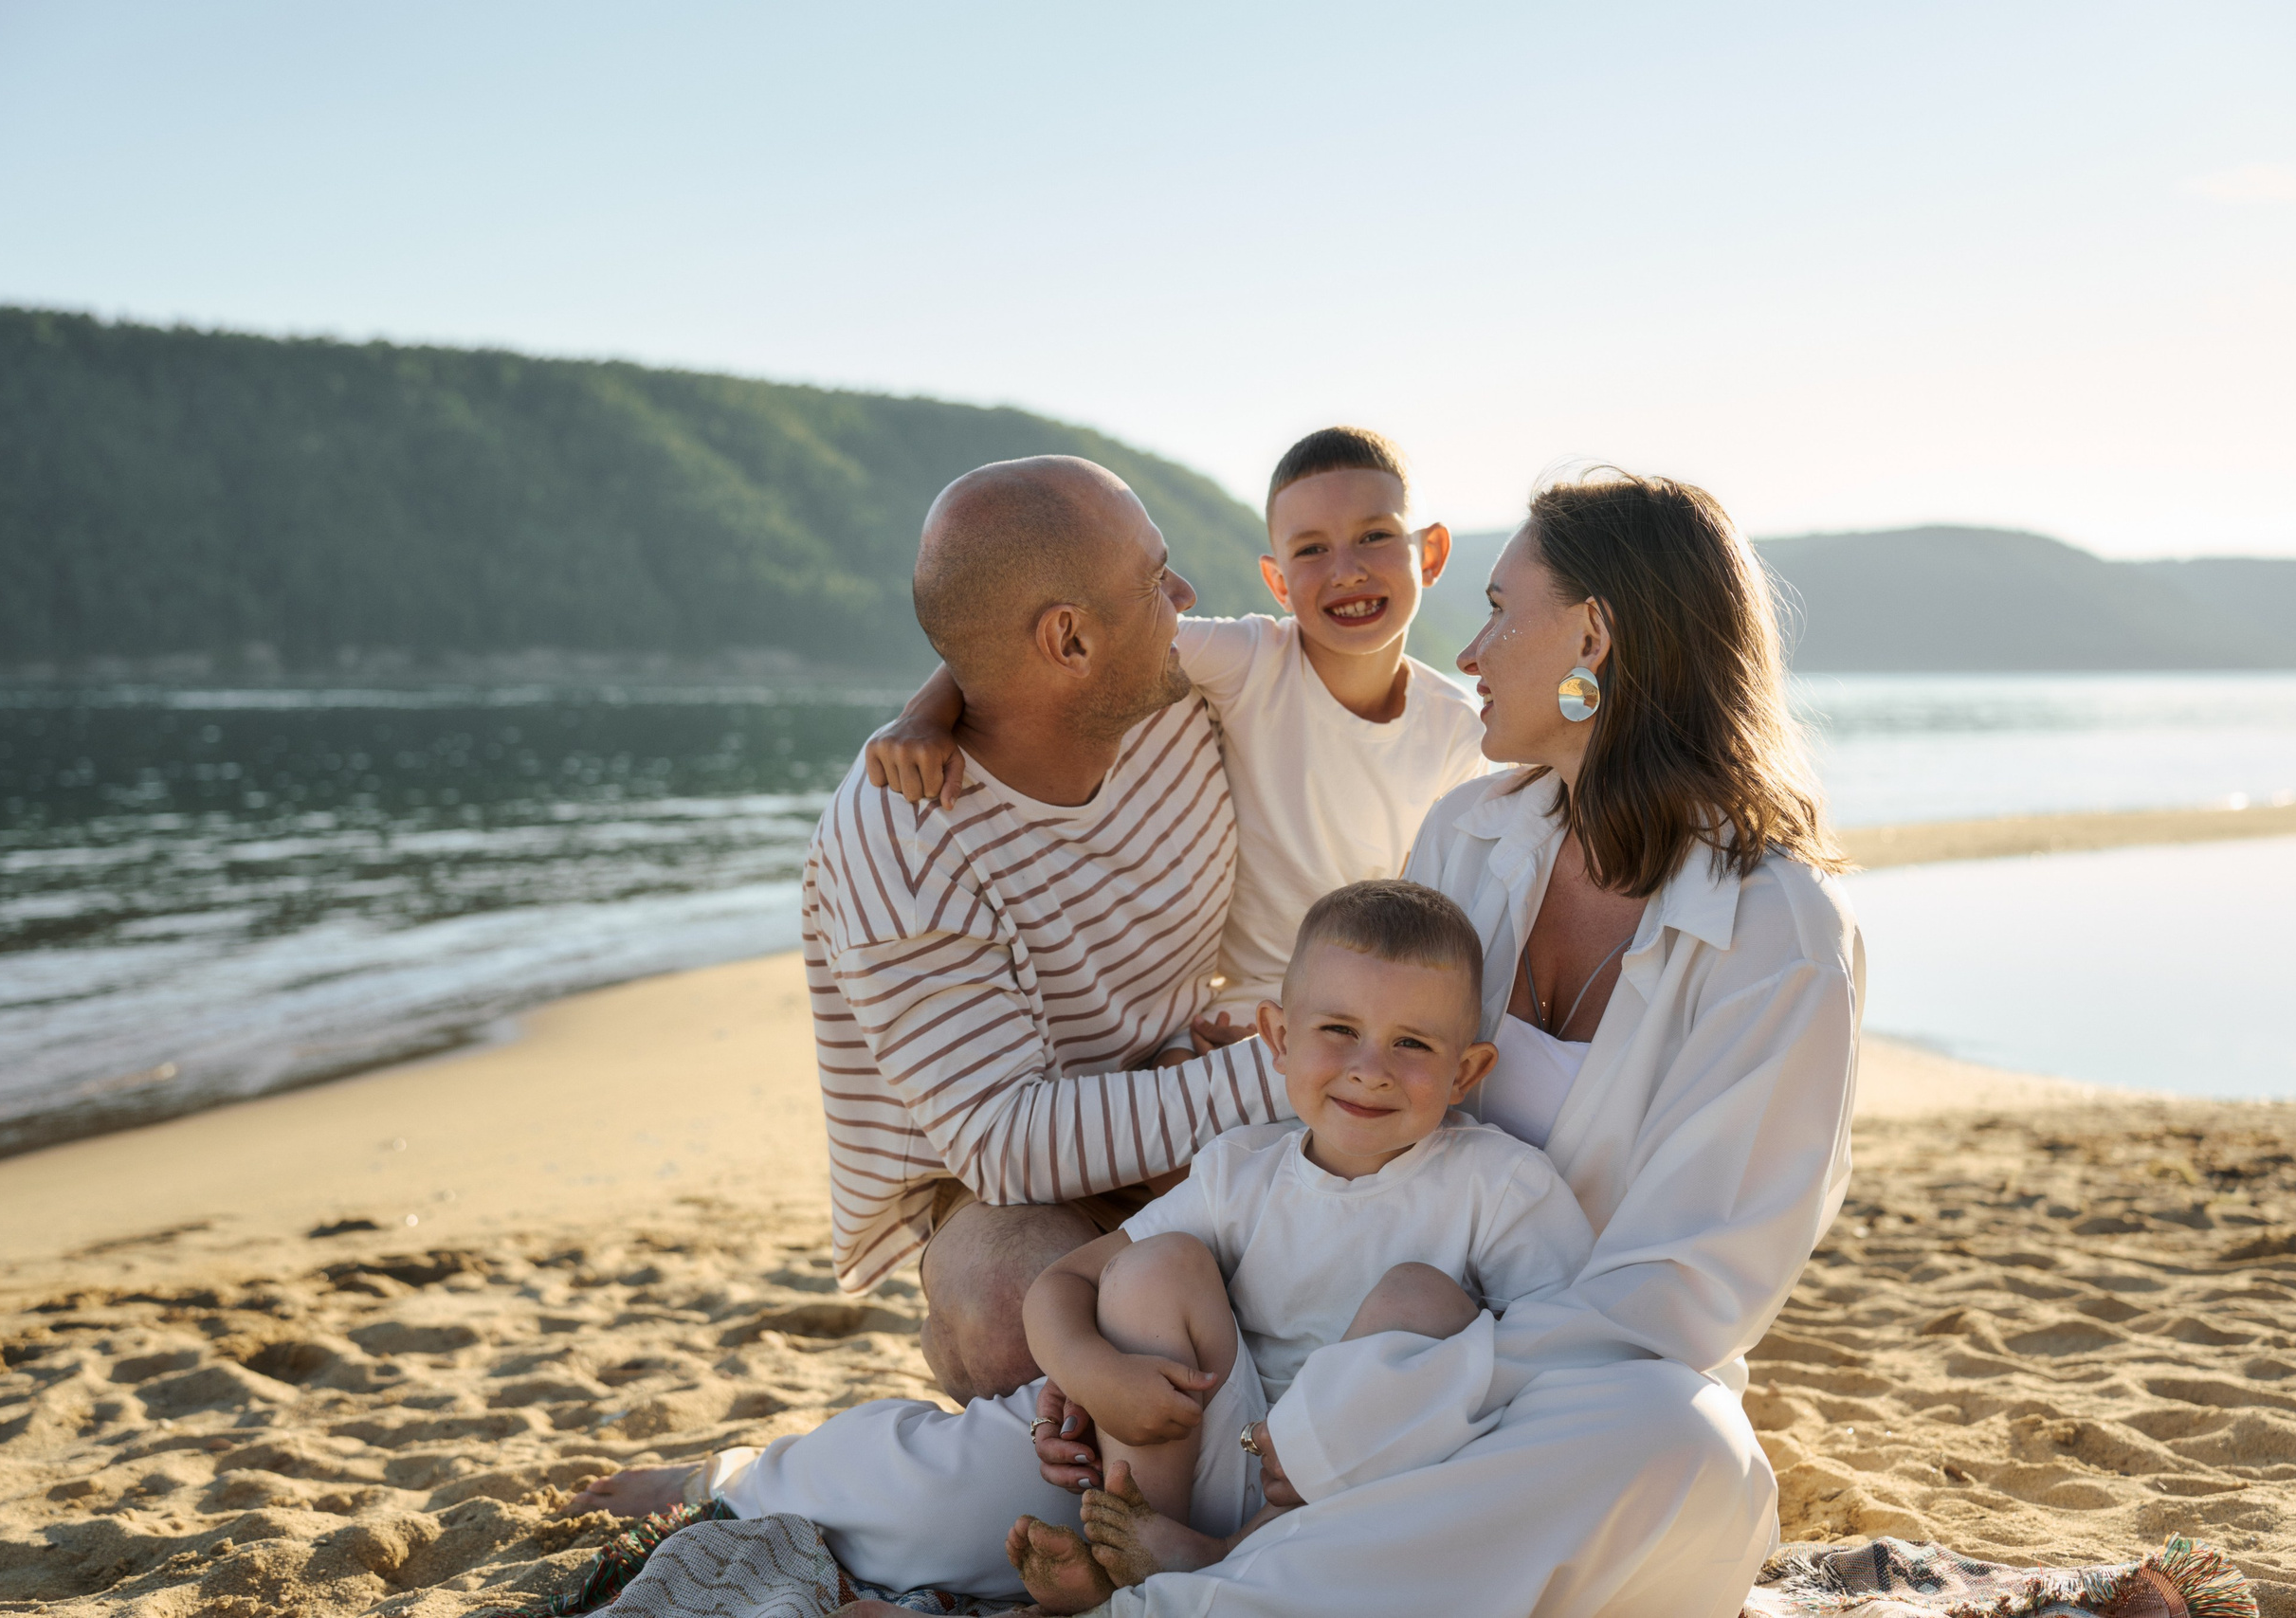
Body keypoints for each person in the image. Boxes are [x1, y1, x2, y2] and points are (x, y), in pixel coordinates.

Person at [592, 468, 1865, 1618]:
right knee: (983, 1487)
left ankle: (1193, 1593)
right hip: (1299, 1330)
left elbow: (1680, 1298)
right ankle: (752, 1479)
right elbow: (1041, 638)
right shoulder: (1473, 832)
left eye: (1497, 609)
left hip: (1516, 1390)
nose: (1469, 647)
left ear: (1593, 635)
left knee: (1687, 1449)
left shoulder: (1779, 932)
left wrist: (1366, 1413)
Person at [571, 454, 1293, 1521]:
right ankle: (741, 1483)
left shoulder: (1189, 694)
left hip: (1192, 1085)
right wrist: (1279, 1074)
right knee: (1013, 1319)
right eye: (1157, 578)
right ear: (1068, 640)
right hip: (1007, 1183)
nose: (1184, 598)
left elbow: (1354, 669)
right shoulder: (899, 842)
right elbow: (1004, 1141)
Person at [1007, 881, 1594, 1613]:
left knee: (1422, 1297)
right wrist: (1091, 1371)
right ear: (1280, 1039)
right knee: (1152, 1267)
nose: (1370, 1067)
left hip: (1356, 1501)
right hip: (1218, 1460)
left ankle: (1223, 1566)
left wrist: (1337, 1429)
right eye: (1339, 1029)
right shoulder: (1239, 1171)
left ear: (1466, 1071)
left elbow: (1570, 1345)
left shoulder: (1498, 1184)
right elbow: (1064, 1281)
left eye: (1412, 1043)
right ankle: (1138, 1547)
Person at [865, 426, 1492, 1035]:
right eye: (1311, 549)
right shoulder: (1251, 660)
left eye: (1375, 536)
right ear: (1276, 580)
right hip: (1240, 1012)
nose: (1346, 569)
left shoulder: (1456, 731)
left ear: (1430, 553)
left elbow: (1437, 908)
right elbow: (1049, 644)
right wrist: (925, 714)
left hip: (1372, 1005)